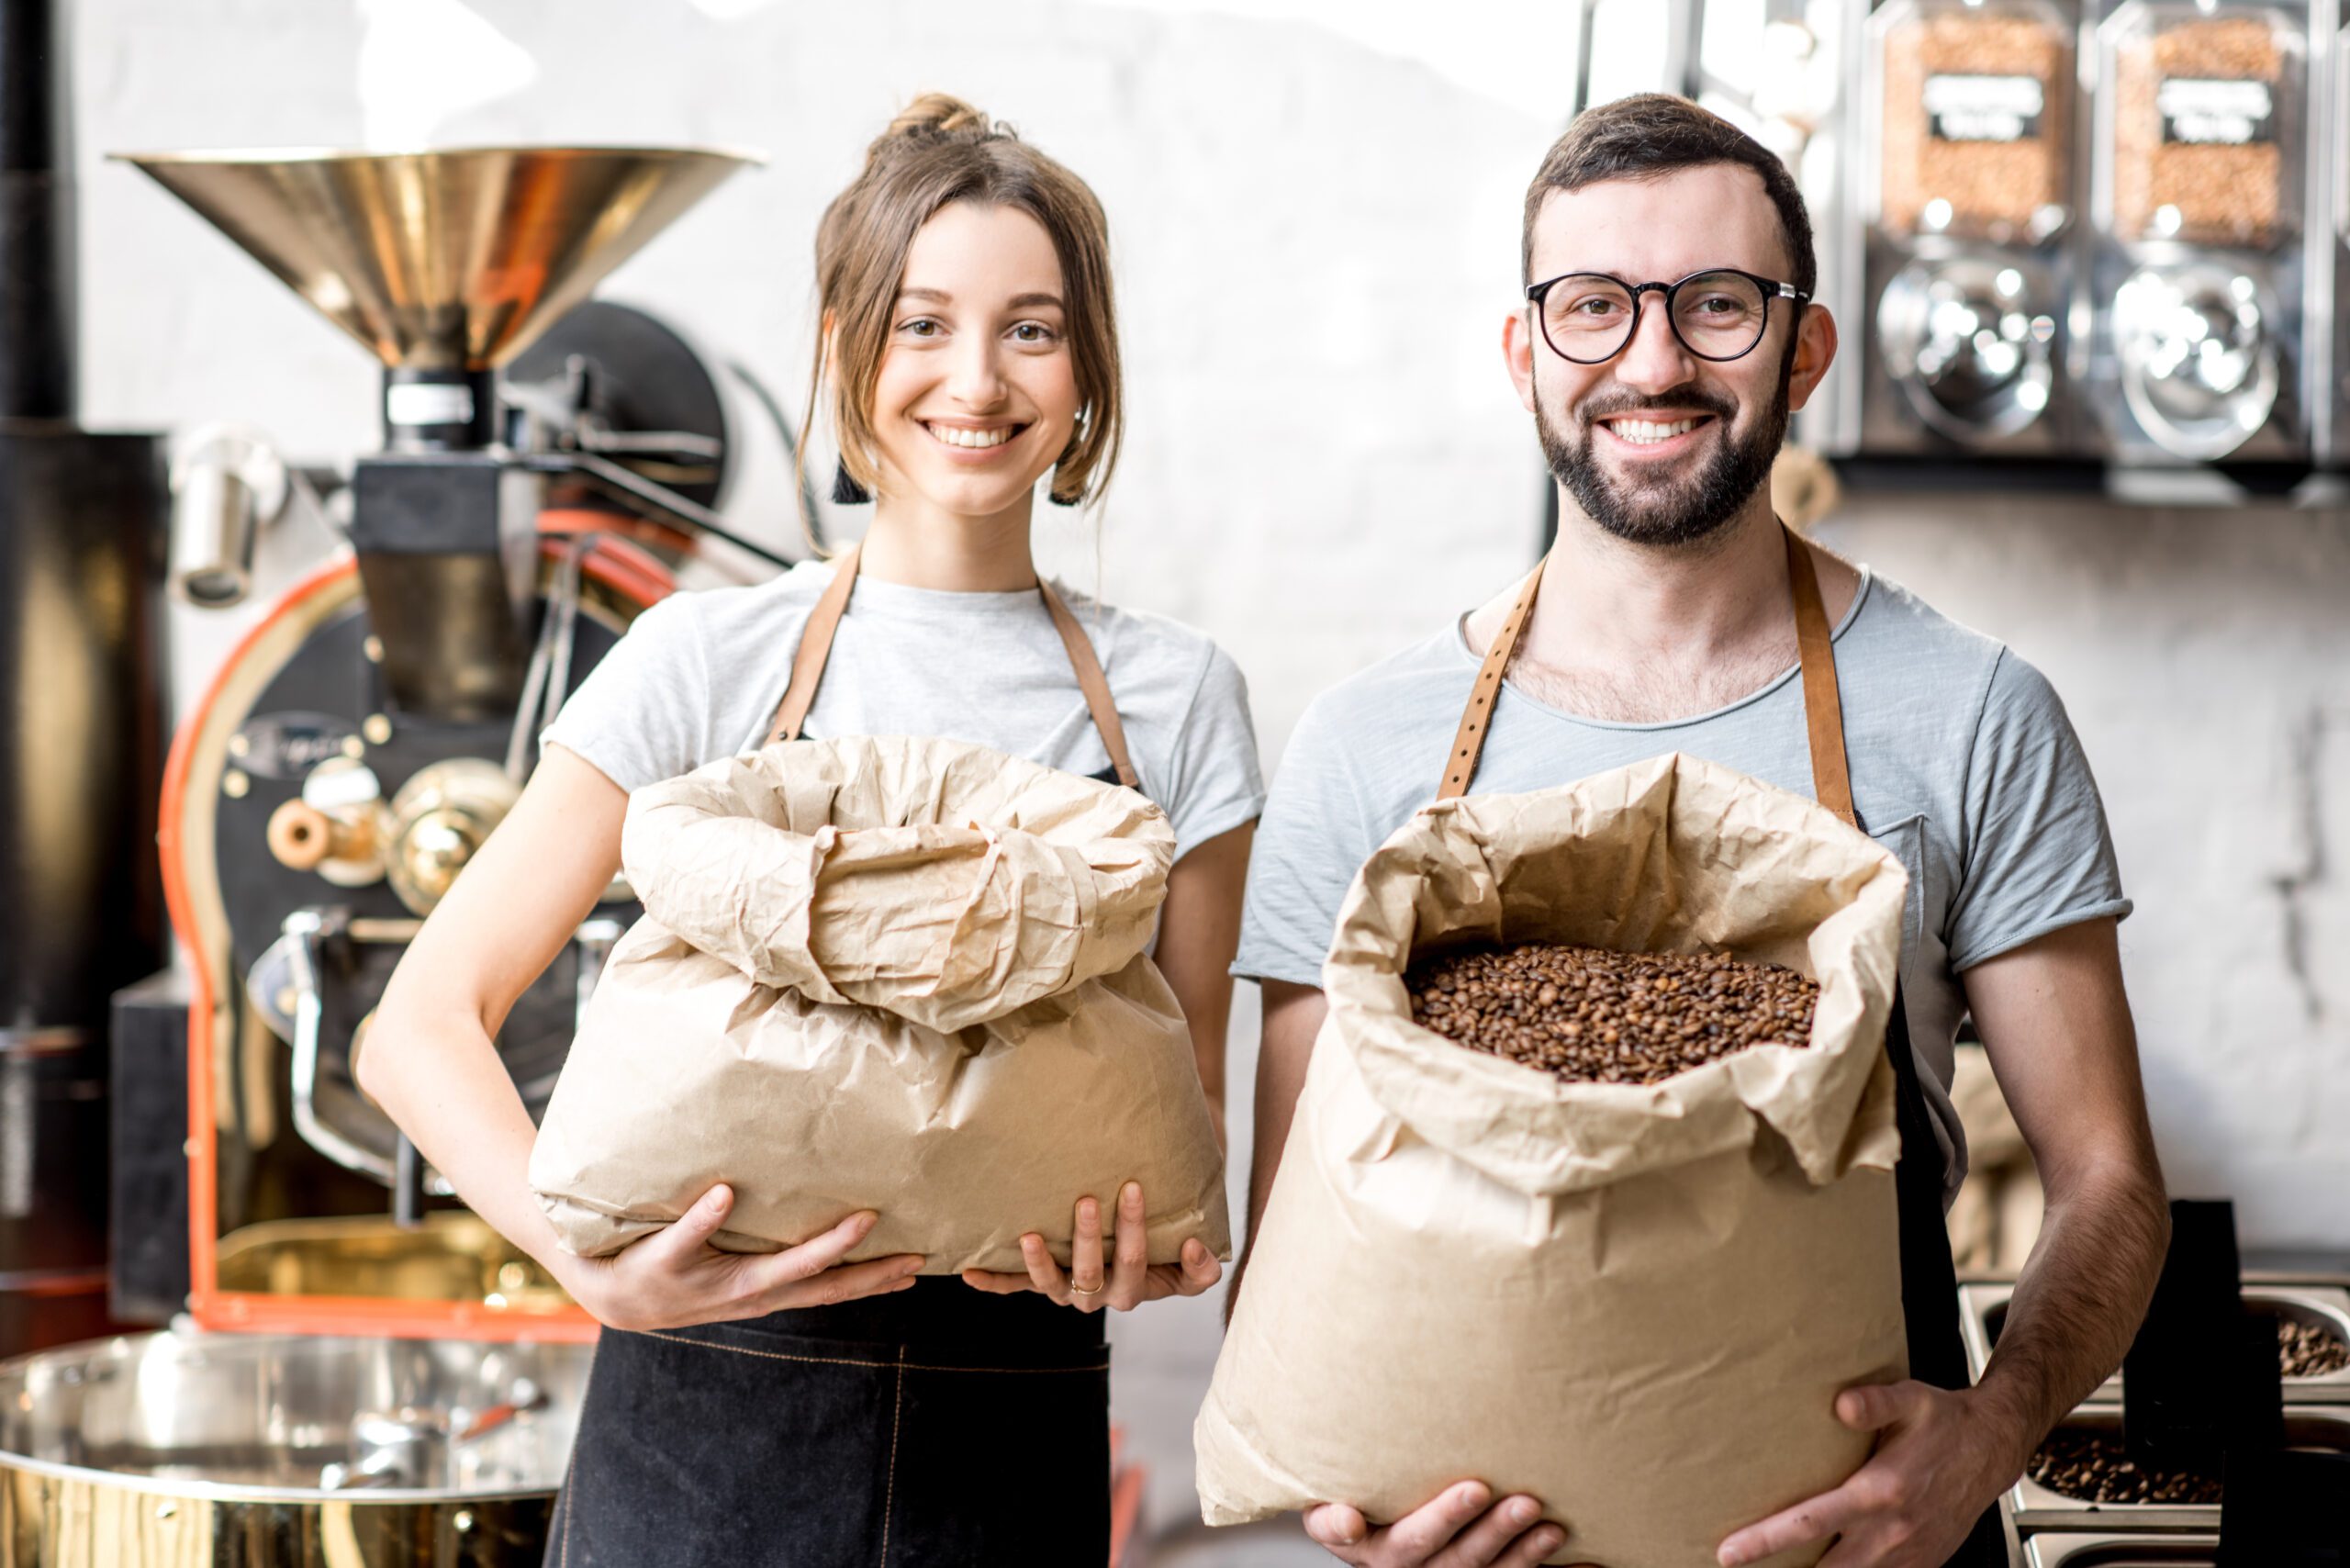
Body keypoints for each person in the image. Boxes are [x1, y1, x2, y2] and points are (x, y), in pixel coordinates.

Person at [1229, 94, 2169, 1568]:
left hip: (1873, 1536)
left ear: (1804, 346)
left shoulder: (1975, 711)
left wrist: (1988, 1436)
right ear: (1523, 351)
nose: (1654, 362)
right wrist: (1367, 1509)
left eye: (1717, 306)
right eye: (1595, 306)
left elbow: (2110, 1182)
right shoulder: (1365, 746)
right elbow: (1292, 1237)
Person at [361, 94, 1261, 1566]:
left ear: (1088, 368)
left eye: (1032, 328)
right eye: (922, 323)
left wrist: (1142, 1250)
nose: (976, 377)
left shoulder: (1176, 702)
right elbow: (416, 1026)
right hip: (697, 1437)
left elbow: (1189, 1110)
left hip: (1011, 1431)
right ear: (847, 350)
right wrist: (588, 1269)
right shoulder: (701, 658)